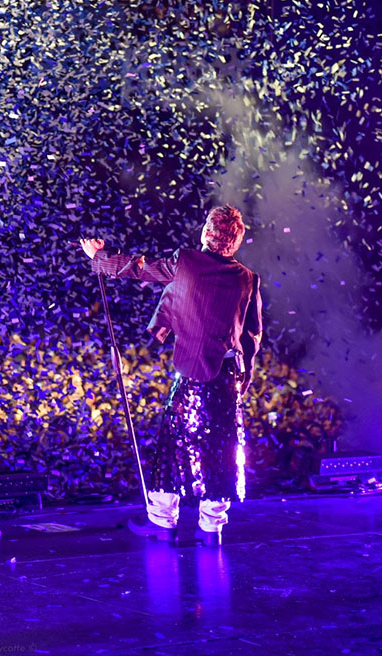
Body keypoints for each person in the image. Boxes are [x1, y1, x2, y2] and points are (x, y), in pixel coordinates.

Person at [80, 205, 262, 545]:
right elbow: (252, 333)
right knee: (220, 448)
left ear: (208, 233)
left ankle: (163, 523)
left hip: (193, 374)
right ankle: (212, 528)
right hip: (225, 377)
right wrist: (245, 374)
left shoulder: (188, 262)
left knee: (174, 446)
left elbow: (141, 268)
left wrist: (99, 258)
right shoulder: (247, 278)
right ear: (235, 241)